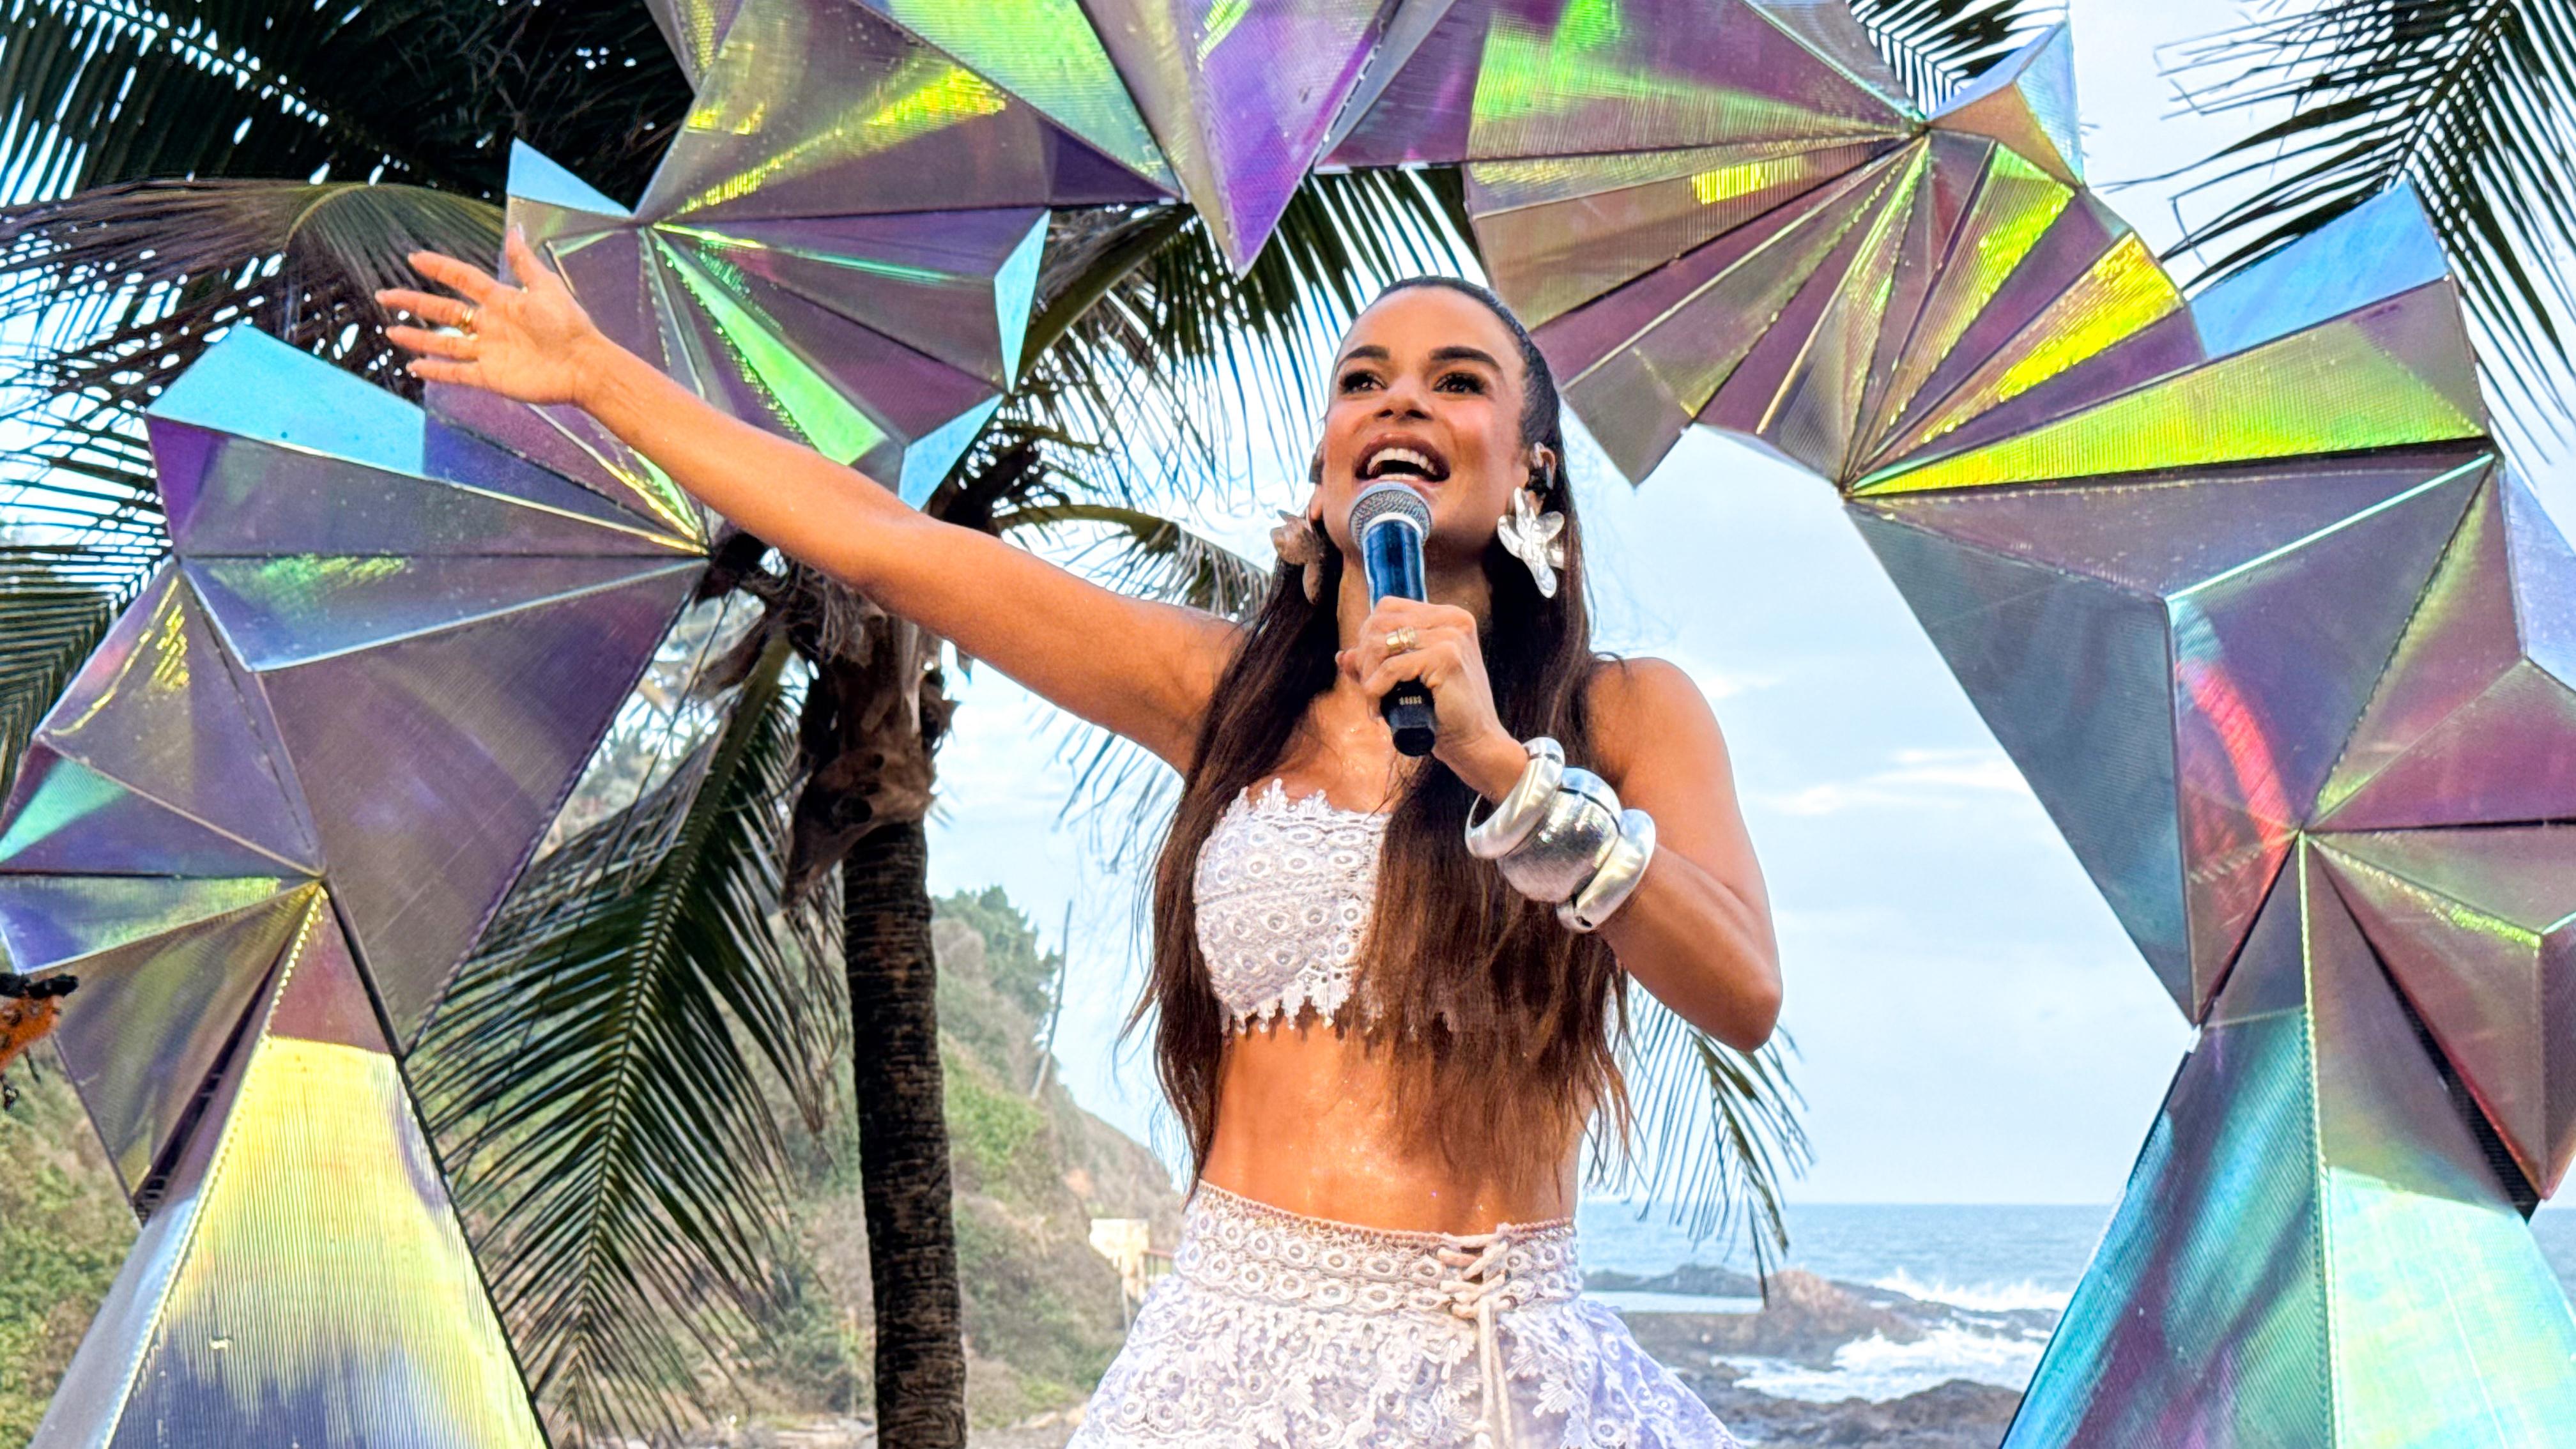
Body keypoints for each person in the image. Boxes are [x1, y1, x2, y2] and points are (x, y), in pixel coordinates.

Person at [380, 231, 1781, 1448]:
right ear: (1327, 458)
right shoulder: (1227, 702)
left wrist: (1500, 771)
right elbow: (890, 546)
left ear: (1533, 468)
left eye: (1456, 380)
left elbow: (1743, 992)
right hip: (1238, 1370)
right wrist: (593, 372)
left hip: (1502, 1384)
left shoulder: (1625, 715)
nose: (1400, 398)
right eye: (1365, 380)